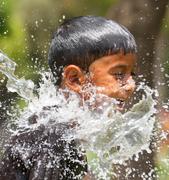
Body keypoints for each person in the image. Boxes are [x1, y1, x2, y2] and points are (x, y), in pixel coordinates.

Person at [0, 16, 137, 180]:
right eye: (119, 74)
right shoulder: (53, 135)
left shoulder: (62, 129)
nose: (131, 85)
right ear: (74, 79)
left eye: (132, 74)